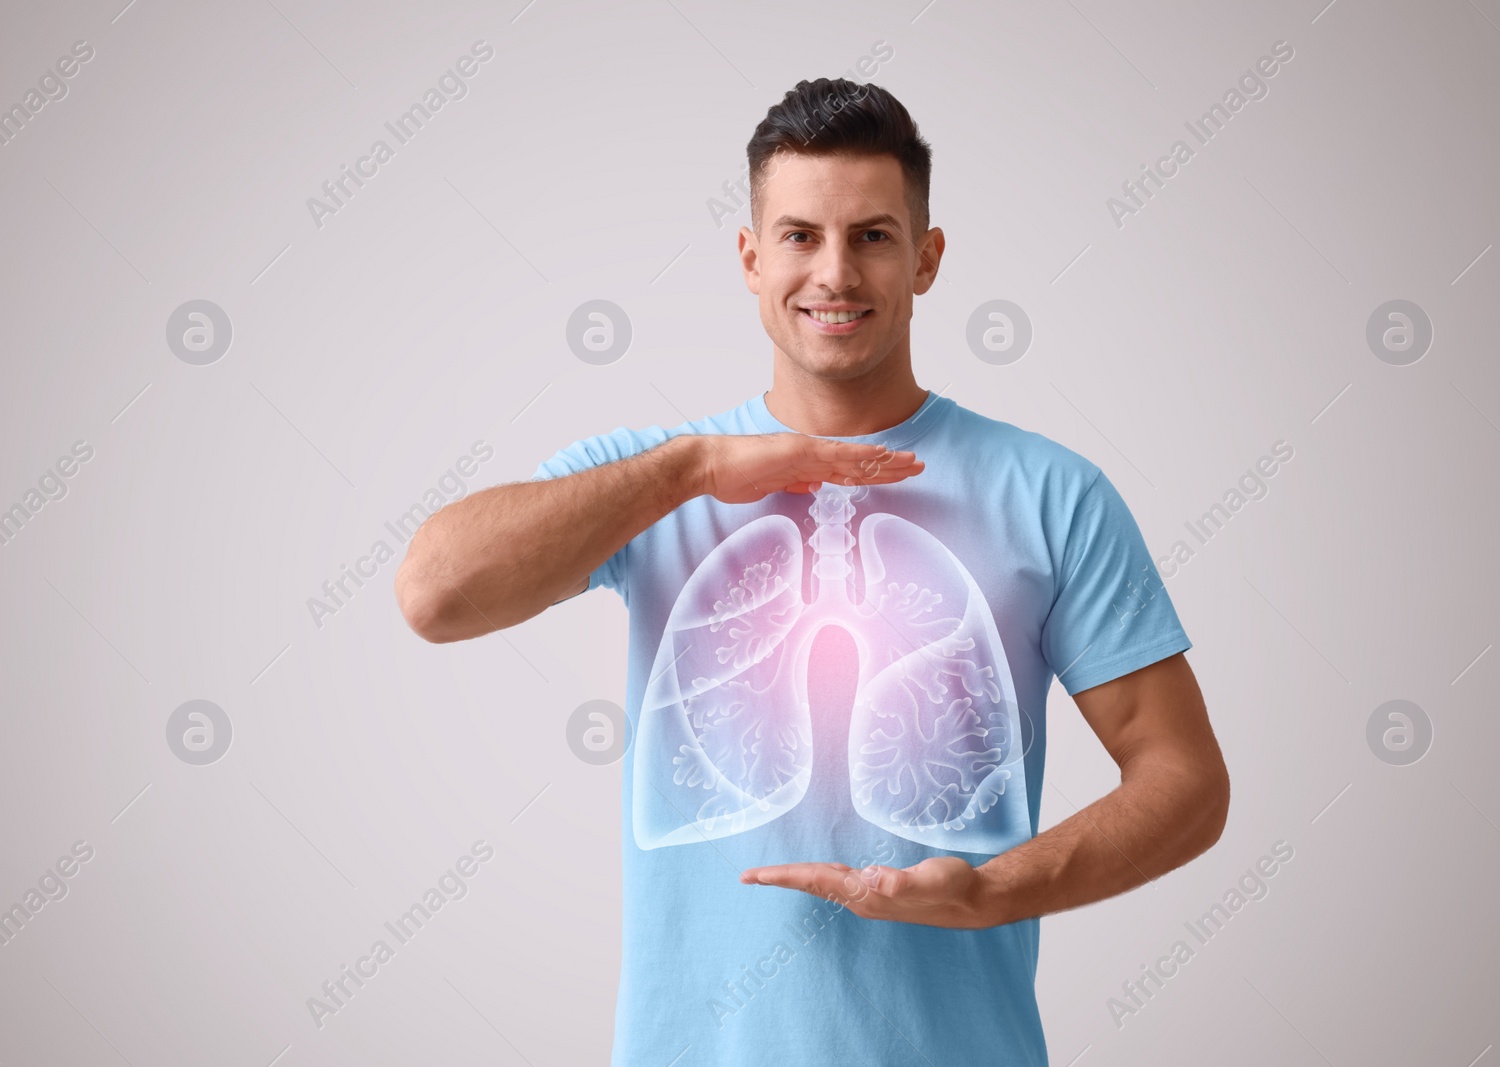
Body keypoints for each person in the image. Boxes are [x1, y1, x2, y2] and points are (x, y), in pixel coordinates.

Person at [395, 76, 1228, 1067]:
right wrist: (692, 466)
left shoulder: (1050, 490)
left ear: (927, 258)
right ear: (749, 259)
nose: (833, 272)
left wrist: (995, 888)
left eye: (872, 236)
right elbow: (435, 591)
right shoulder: (650, 480)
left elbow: (1184, 779)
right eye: (798, 236)